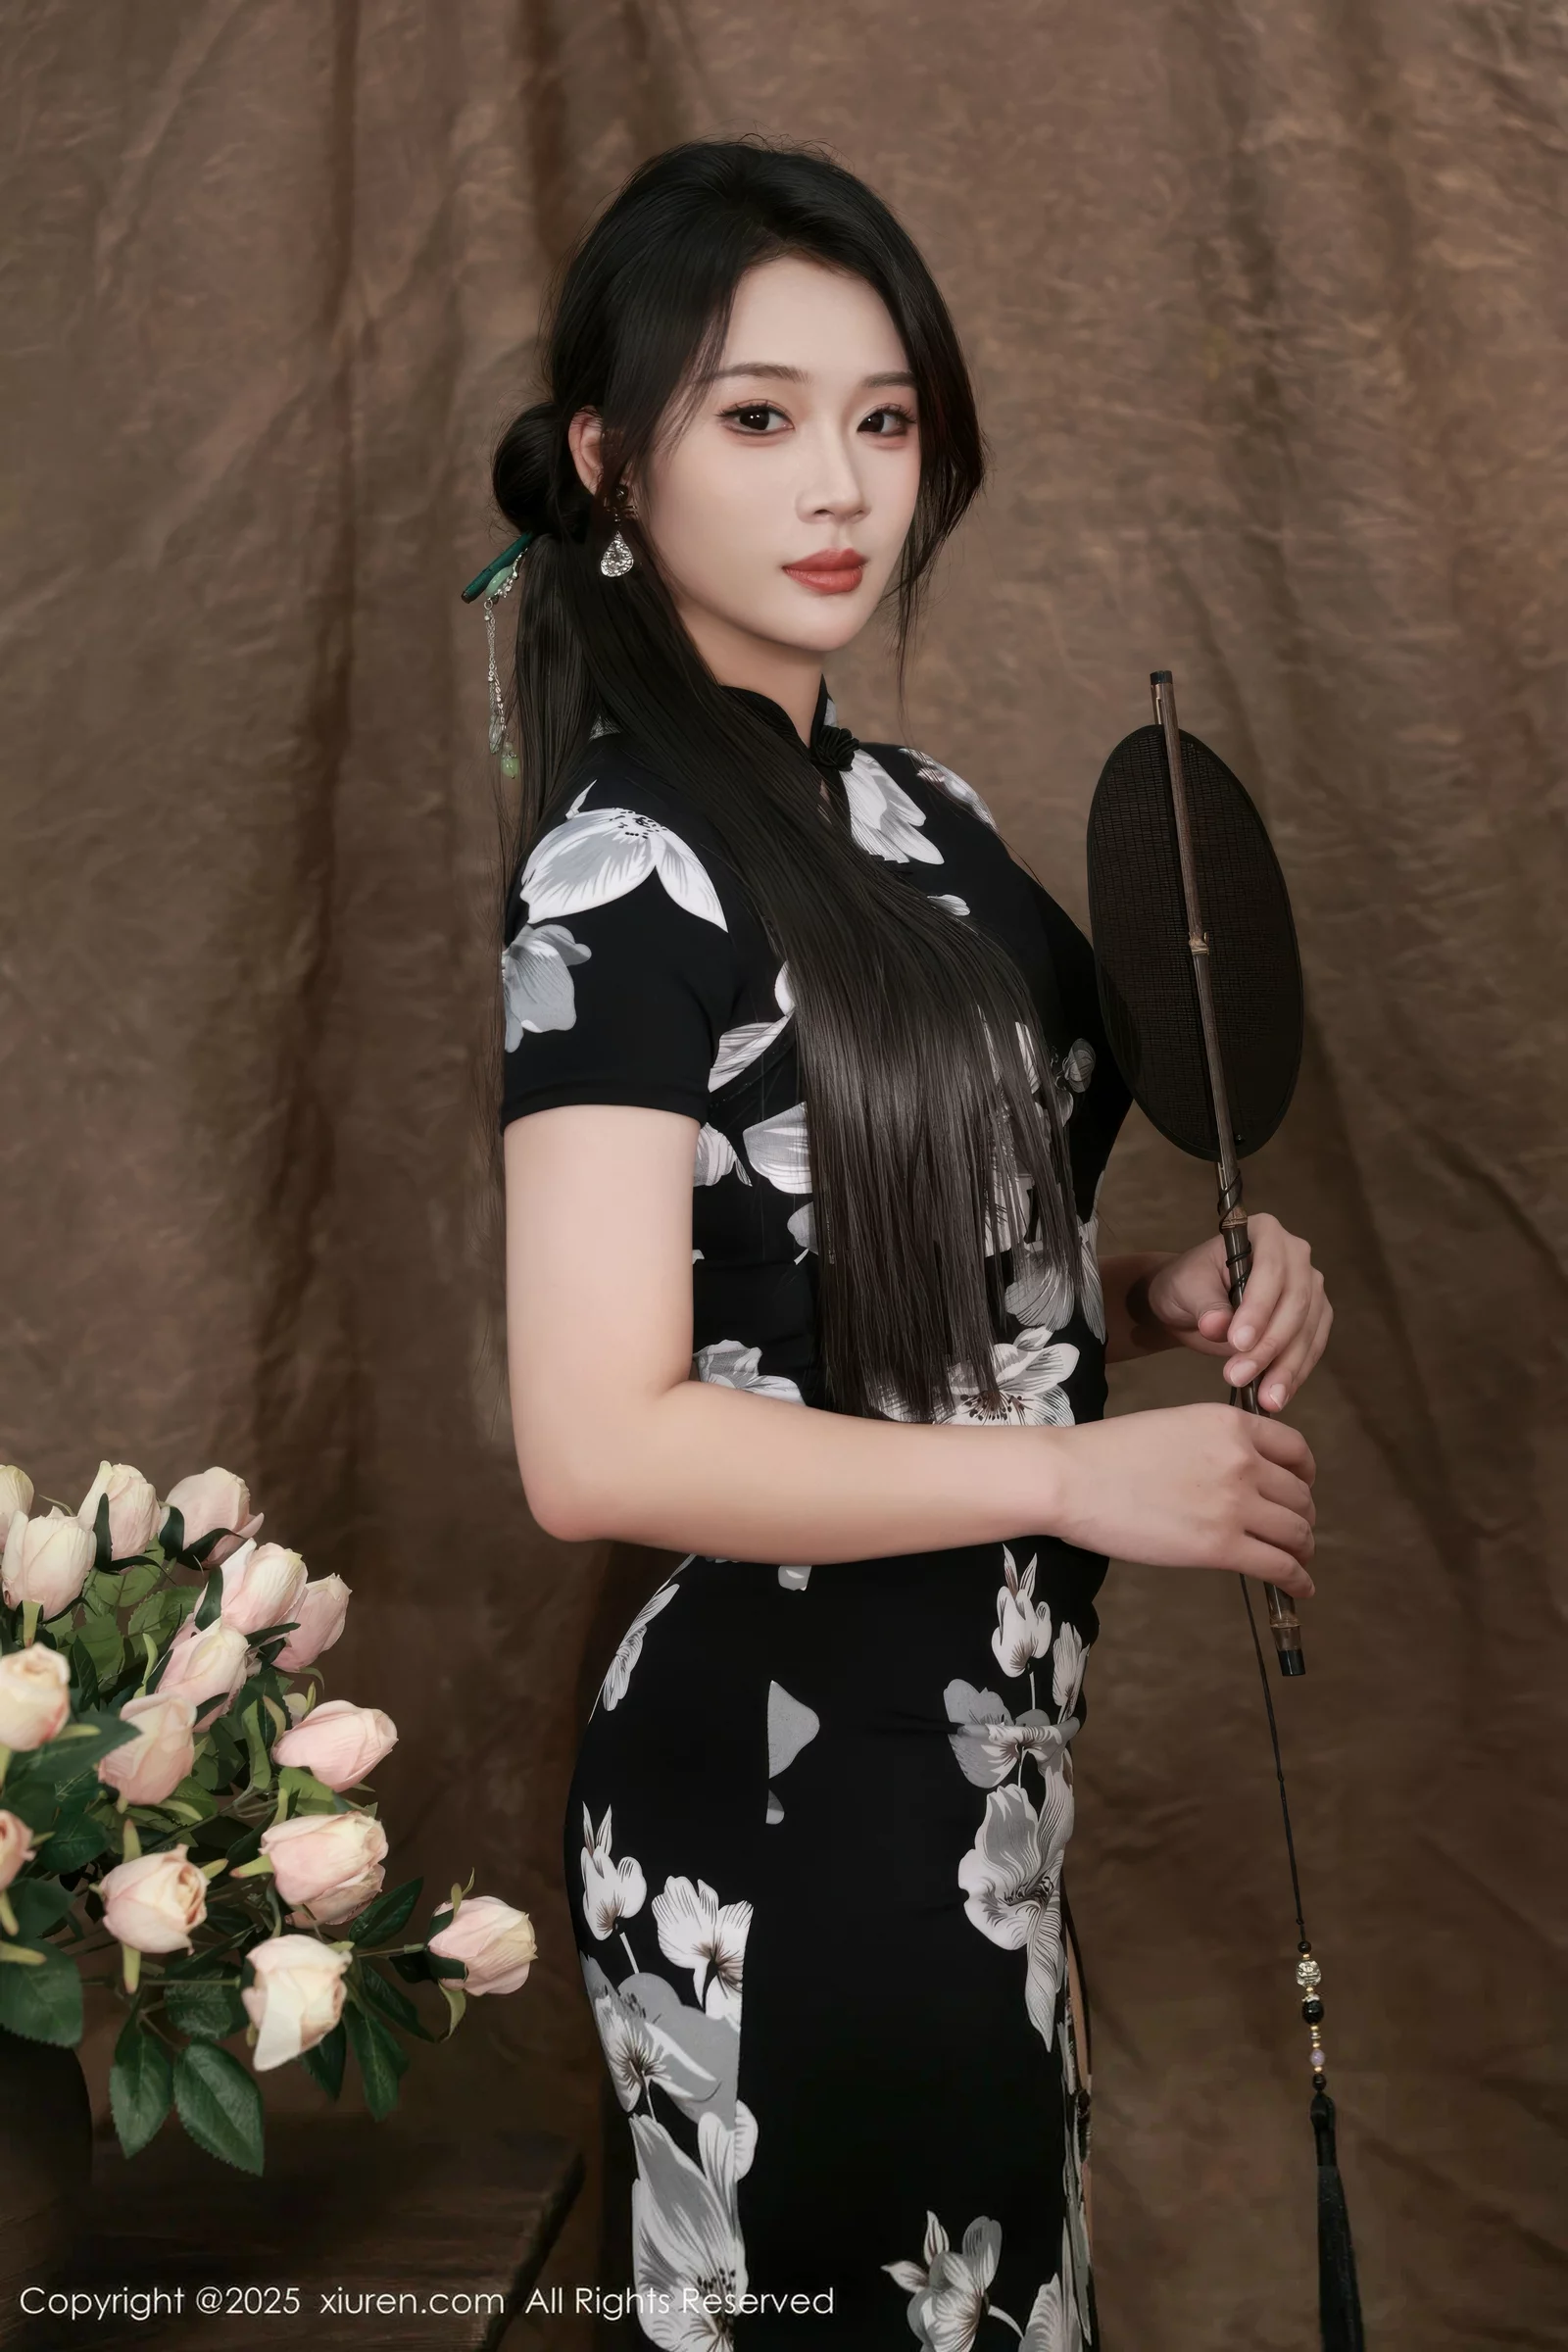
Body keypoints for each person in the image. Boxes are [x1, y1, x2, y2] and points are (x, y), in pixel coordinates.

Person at [492, 139, 1328, 2350]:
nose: (838, 482)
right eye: (758, 417)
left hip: (979, 1771)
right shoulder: (618, 880)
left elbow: (915, 1252)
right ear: (610, 459)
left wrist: (1159, 1297)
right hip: (774, 1800)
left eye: (880, 417)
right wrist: (1077, 1473)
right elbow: (595, 1441)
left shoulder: (915, 815)